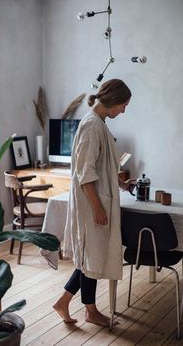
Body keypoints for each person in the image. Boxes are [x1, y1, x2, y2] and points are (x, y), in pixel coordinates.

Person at [53, 79, 135, 327]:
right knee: (92, 257)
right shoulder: (91, 126)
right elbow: (85, 173)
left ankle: (73, 305)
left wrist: (121, 184)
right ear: (112, 101)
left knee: (92, 258)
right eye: (123, 105)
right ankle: (82, 308)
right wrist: (98, 208)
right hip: (92, 205)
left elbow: (101, 167)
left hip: (98, 201)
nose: (124, 110)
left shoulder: (98, 123)